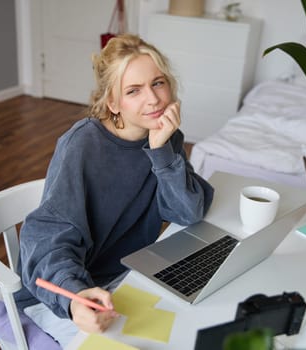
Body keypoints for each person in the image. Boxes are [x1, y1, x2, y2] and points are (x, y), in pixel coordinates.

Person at [15, 33, 214, 347]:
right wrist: (76, 296)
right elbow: (46, 237)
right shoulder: (82, 146)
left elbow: (188, 213)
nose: (153, 99)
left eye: (158, 83)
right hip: (81, 292)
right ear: (112, 102)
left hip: (132, 278)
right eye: (133, 90)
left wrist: (161, 151)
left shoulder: (164, 134)